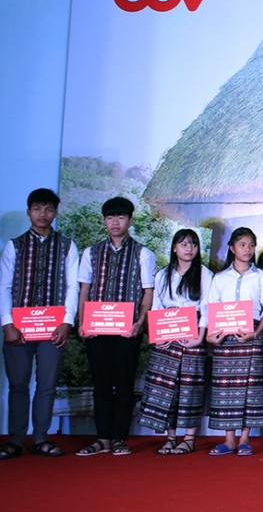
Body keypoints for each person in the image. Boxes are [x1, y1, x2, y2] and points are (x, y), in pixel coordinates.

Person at [0, 188, 80, 459]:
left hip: (53, 328)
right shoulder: (15, 245)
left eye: (48, 209)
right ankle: (16, 440)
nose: (42, 214)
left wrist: (67, 322)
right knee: (18, 385)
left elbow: (72, 286)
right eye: (37, 209)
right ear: (29, 212)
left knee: (47, 384)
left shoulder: (67, 246)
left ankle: (41, 438)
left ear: (55, 212)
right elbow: (4, 286)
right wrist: (7, 324)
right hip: (18, 328)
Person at [76, 196, 156, 457]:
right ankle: (102, 438)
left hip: (127, 331)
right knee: (100, 385)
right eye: (110, 217)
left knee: (123, 385)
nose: (115, 222)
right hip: (96, 330)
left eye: (121, 217)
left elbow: (147, 292)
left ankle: (120, 437)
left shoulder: (143, 253)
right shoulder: (91, 252)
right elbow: (84, 290)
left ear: (130, 220)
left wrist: (139, 323)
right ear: (104, 221)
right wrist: (83, 323)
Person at [139, 229, 212, 455]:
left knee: (191, 386)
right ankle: (170, 437)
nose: (189, 248)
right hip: (166, 333)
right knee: (166, 387)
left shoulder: (205, 274)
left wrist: (199, 337)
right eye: (184, 244)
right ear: (174, 248)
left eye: (193, 244)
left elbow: (207, 308)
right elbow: (156, 307)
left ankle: (189, 438)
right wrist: (157, 336)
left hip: (193, 334)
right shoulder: (163, 274)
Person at [206, 227, 263, 456]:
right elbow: (211, 309)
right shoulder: (219, 278)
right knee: (226, 389)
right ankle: (229, 440)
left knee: (250, 388)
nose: (248, 249)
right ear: (232, 248)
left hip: (251, 336)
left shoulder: (260, 277)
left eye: (252, 245)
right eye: (242, 245)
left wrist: (256, 333)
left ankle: (245, 439)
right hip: (225, 338)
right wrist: (211, 335)